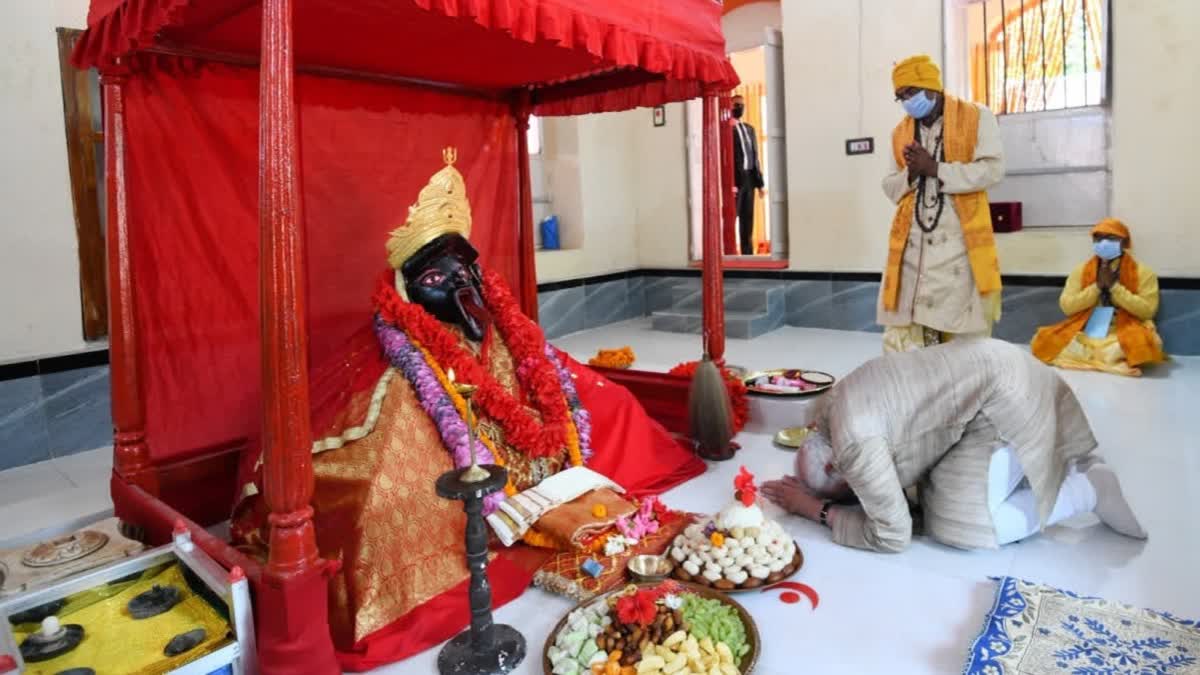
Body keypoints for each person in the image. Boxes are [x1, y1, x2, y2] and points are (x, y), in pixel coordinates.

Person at [231, 150, 705, 667]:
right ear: (406, 291)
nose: (460, 288)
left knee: (605, 402)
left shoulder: (503, 330)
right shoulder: (392, 358)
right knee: (384, 490)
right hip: (424, 381)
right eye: (439, 279)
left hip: (515, 391)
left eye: (467, 274)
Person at [761, 338, 1146, 553]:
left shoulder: (855, 444)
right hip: (994, 369)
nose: (856, 491)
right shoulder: (832, 409)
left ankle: (1088, 489)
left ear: (836, 466)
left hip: (1003, 399)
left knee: (957, 527)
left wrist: (813, 508)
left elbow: (893, 535)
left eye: (850, 486)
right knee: (927, 496)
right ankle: (1027, 471)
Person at [877, 55, 1006, 353]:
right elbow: (889, 186)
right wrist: (911, 172)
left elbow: (993, 170)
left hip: (958, 241)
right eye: (900, 97)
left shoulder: (977, 116)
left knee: (960, 332)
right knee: (906, 335)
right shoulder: (900, 132)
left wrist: (935, 168)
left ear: (930, 87)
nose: (906, 102)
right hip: (912, 244)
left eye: (910, 93)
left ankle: (957, 392)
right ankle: (917, 390)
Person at [1031, 218, 1165, 377]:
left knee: (1149, 342)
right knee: (1041, 339)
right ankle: (1109, 360)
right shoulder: (1080, 271)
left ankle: (1097, 357)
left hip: (1124, 330)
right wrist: (1097, 287)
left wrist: (1115, 287)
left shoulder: (1143, 273)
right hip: (1087, 329)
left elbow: (1147, 311)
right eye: (1098, 238)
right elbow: (1067, 306)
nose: (1104, 242)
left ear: (1124, 242)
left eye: (1111, 238)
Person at [731, 94, 764, 256]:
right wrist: (730, 183)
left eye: (742, 105)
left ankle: (747, 253)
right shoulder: (726, 129)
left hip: (750, 178)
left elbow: (755, 156)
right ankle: (730, 251)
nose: (740, 108)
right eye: (736, 104)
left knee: (748, 218)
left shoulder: (749, 129)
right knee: (732, 217)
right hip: (735, 180)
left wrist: (760, 184)